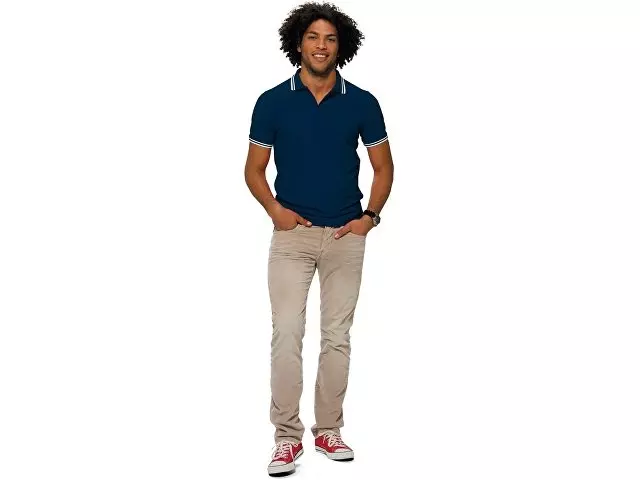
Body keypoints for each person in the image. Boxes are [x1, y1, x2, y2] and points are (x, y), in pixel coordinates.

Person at [244, 2, 394, 476]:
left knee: (337, 337)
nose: (321, 46)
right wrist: (275, 211)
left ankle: (329, 429)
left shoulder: (362, 102)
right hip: (293, 236)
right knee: (287, 332)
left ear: (341, 46)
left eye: (330, 38)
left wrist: (370, 217)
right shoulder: (272, 101)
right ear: (298, 43)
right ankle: (287, 438)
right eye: (313, 37)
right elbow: (253, 170)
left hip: (346, 235)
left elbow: (383, 166)